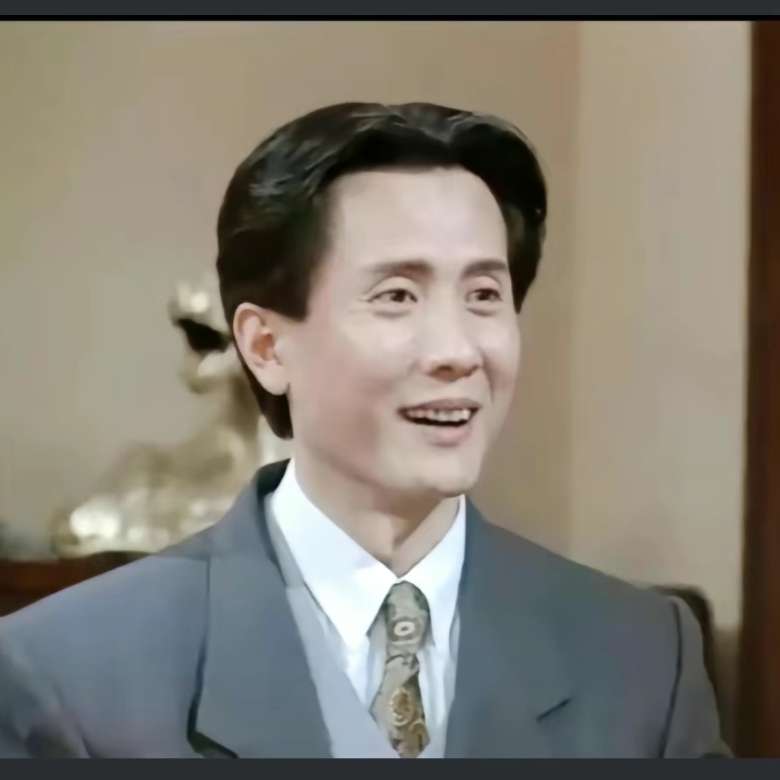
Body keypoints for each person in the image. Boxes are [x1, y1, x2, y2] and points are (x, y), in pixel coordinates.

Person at [0, 102, 729, 758]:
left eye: (484, 294)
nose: (456, 351)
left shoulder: (642, 659)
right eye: (398, 296)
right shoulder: (71, 675)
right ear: (266, 346)